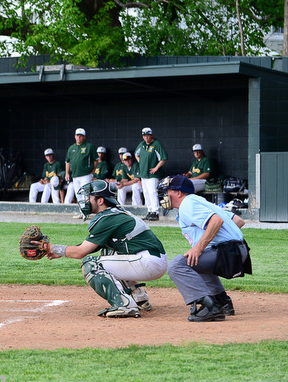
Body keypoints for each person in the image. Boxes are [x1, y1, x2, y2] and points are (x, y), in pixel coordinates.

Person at [39, 180, 167, 318]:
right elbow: (92, 246)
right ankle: (139, 298)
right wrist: (60, 251)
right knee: (108, 251)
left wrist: (50, 247)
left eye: (89, 197)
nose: (85, 200)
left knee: (91, 264)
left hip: (148, 262)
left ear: (100, 201)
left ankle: (124, 304)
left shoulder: (108, 218)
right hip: (152, 260)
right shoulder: (116, 213)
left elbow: (81, 252)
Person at [161, 175, 250, 322]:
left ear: (179, 193)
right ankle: (222, 302)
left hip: (227, 251)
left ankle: (211, 307)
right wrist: (218, 241)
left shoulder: (187, 204)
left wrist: (199, 247)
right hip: (238, 250)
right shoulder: (200, 202)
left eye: (168, 191)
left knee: (177, 265)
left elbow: (216, 221)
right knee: (195, 261)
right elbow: (238, 221)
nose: (164, 195)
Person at [134, 127, 168, 221]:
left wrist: (156, 168)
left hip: (152, 174)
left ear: (151, 135)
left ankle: (155, 212)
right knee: (146, 193)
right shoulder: (142, 144)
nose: (146, 137)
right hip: (143, 173)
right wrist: (141, 162)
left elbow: (164, 158)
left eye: (148, 135)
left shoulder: (156, 144)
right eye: (144, 135)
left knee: (152, 192)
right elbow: (136, 154)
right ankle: (149, 211)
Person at [64, 128, 98, 207]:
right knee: (78, 195)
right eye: (77, 135)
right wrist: (67, 173)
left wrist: (92, 172)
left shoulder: (89, 146)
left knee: (85, 195)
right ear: (75, 136)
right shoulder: (71, 148)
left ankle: (87, 211)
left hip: (86, 175)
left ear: (84, 137)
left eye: (81, 136)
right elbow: (67, 161)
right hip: (75, 175)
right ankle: (81, 211)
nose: (79, 137)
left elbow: (96, 160)